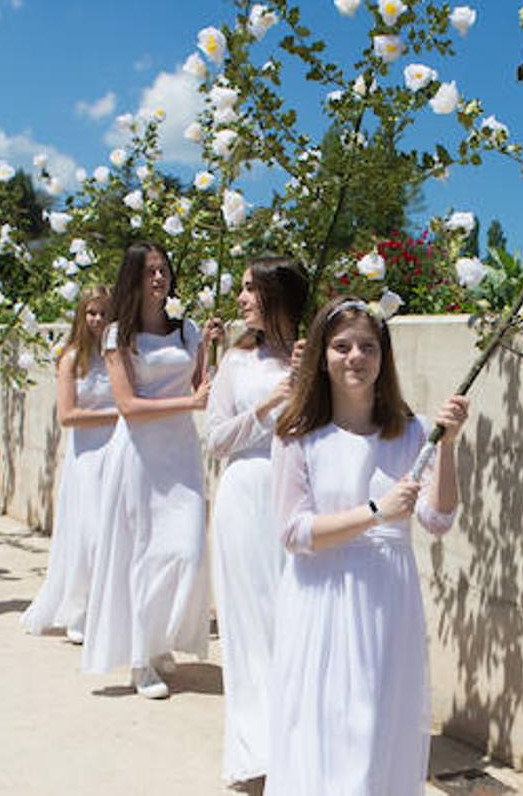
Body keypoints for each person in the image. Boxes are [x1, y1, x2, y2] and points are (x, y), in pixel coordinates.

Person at [264, 296, 468, 795]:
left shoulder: (411, 430)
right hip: (324, 602)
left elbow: (438, 519)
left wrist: (449, 446)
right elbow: (294, 533)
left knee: (379, 730)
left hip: (388, 603)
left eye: (367, 347)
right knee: (328, 730)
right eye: (341, 346)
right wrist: (375, 512)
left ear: (384, 357)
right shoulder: (296, 434)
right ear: (321, 356)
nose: (355, 356)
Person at [80, 241, 219, 700]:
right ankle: (142, 657)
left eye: (164, 269)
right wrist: (190, 403)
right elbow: (127, 406)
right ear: (134, 280)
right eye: (149, 272)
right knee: (142, 555)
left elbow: (203, 386)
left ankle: (160, 641)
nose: (159, 278)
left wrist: (211, 350)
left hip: (179, 452)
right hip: (138, 453)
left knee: (186, 552)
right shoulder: (118, 334)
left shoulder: (188, 329)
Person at [205, 257, 308, 785]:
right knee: (248, 626)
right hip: (244, 498)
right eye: (241, 287)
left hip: (298, 502)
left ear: (277, 296)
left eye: (251, 289)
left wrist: (308, 382)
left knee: (295, 621)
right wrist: (271, 403)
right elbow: (216, 438)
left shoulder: (311, 355)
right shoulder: (235, 362)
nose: (241, 297)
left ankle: (296, 740)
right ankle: (257, 750)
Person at [21, 287, 121, 643]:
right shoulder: (71, 358)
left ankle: (106, 607)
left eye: (104, 313)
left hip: (118, 455)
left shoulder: (119, 356)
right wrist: (121, 412)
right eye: (91, 312)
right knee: (87, 535)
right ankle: (78, 610)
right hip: (87, 459)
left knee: (113, 534)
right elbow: (68, 415)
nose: (97, 320)